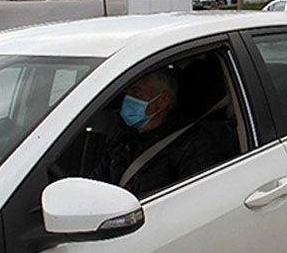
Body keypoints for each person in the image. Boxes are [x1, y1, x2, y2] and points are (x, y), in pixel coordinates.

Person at [87, 68, 234, 196]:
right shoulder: (123, 135)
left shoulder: (193, 146)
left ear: (162, 101)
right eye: (127, 93)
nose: (127, 99)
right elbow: (97, 181)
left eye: (136, 92)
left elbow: (194, 202)